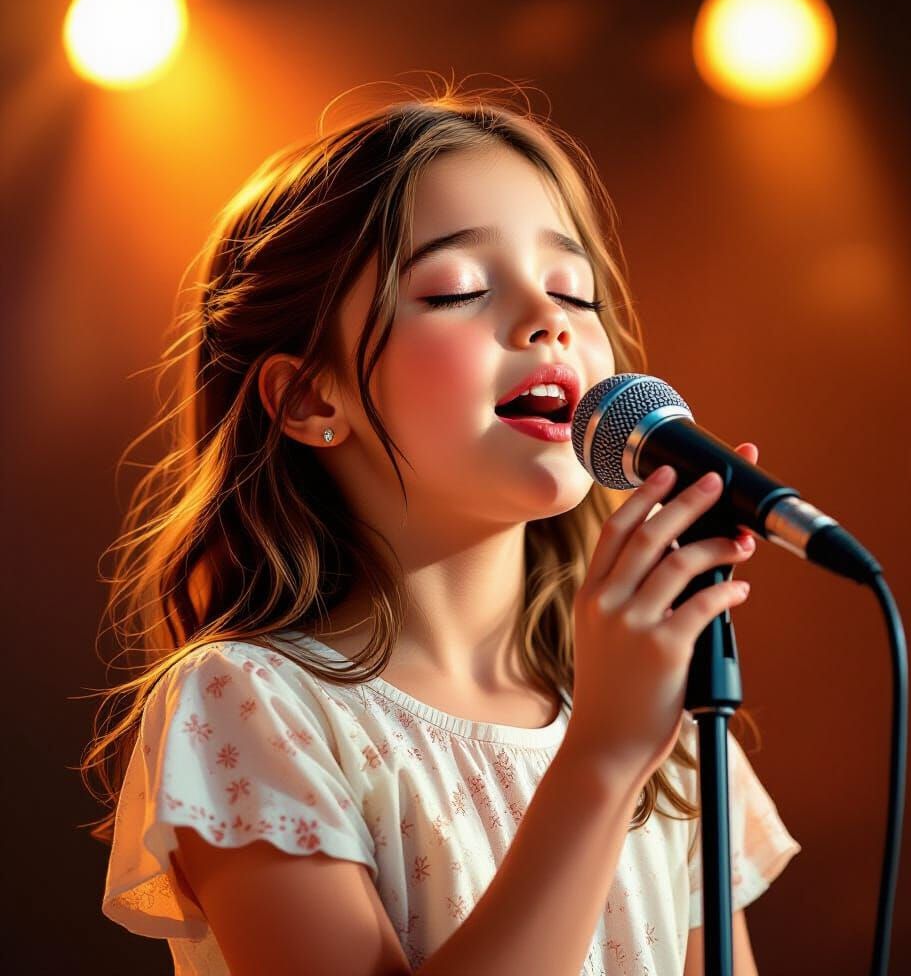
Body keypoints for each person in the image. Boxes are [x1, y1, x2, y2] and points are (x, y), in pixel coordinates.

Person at [84, 77, 800, 975]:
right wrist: (601, 762)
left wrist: (624, 735)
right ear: (310, 397)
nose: (549, 323)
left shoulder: (669, 718)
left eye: (574, 293)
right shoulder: (251, 705)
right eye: (457, 290)